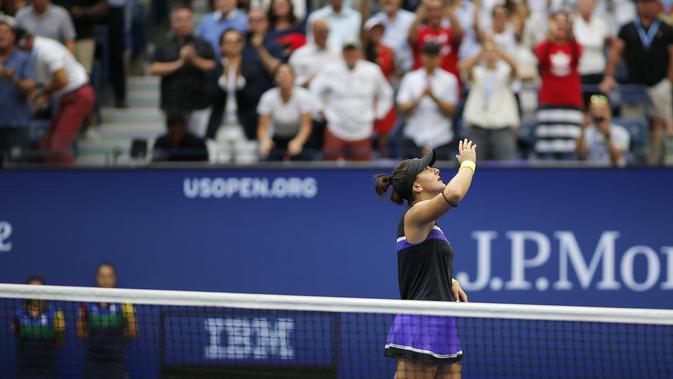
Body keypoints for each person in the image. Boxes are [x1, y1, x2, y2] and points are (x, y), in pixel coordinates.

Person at [374, 145, 473, 379]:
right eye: (428, 169)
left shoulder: (431, 225)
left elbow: (425, 261)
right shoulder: (414, 216)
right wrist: (468, 163)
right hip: (420, 324)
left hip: (445, 324)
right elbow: (455, 194)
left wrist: (448, 279)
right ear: (416, 186)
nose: (436, 170)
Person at [600, 0, 673, 165]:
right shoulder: (628, 28)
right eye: (643, 3)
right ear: (638, 5)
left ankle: (655, 161)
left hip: (659, 84)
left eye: (651, 3)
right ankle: (632, 160)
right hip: (633, 86)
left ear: (657, 6)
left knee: (660, 123)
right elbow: (615, 52)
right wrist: (608, 76)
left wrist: (669, 81)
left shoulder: (666, 28)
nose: (647, 6)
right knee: (631, 123)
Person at [15, 28, 95, 165]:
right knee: (47, 144)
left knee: (58, 146)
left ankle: (70, 182)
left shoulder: (46, 51)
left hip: (79, 95)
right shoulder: (35, 52)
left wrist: (43, 93)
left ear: (24, 42)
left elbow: (62, 80)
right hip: (67, 96)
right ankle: (54, 180)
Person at [310, 39, 393, 161]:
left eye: (353, 51)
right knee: (329, 169)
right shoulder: (330, 70)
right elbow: (314, 89)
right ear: (342, 53)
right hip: (336, 128)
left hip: (362, 129)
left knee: (362, 172)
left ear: (360, 52)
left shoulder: (372, 70)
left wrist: (379, 113)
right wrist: (319, 109)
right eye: (347, 51)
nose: (350, 54)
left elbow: (386, 93)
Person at [149, 6, 216, 138]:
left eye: (187, 20)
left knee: (198, 141)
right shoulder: (164, 44)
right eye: (179, 20)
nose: (183, 23)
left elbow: (213, 66)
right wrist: (179, 63)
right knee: (174, 141)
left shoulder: (203, 44)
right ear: (173, 23)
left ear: (192, 22)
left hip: (198, 103)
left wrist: (194, 59)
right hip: (172, 103)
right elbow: (153, 68)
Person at [534, 10, 583, 160]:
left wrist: (571, 32)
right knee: (547, 151)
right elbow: (540, 56)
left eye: (564, 22)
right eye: (557, 21)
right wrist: (551, 36)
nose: (560, 25)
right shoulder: (544, 45)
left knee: (570, 149)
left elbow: (578, 53)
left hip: (571, 104)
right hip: (549, 104)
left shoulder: (575, 46)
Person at [397, 42, 458, 160]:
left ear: (440, 58)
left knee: (440, 177)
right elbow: (402, 109)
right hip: (414, 138)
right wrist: (420, 97)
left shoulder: (449, 79)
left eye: (434, 56)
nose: (431, 59)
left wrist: (433, 96)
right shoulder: (410, 78)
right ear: (422, 57)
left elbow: (451, 111)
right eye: (428, 55)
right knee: (410, 177)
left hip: (441, 139)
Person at [206, 28, 259, 163]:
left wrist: (237, 78)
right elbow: (210, 98)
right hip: (220, 127)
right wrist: (225, 76)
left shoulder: (251, 68)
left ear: (242, 45)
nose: (233, 45)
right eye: (228, 42)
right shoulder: (214, 69)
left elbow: (253, 99)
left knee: (247, 170)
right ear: (221, 46)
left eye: (236, 42)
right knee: (218, 171)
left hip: (244, 128)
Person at [460, 41, 519, 161]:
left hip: (502, 127)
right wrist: (481, 52)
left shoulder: (505, 71)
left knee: (508, 167)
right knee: (472, 167)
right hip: (478, 126)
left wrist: (499, 52)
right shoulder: (477, 72)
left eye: (493, 53)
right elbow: (465, 68)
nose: (490, 55)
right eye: (487, 52)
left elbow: (515, 68)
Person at [77, 263, 137, 379]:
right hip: (93, 360)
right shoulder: (86, 303)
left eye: (109, 276)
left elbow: (133, 331)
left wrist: (116, 340)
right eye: (102, 276)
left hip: (116, 360)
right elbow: (80, 331)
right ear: (97, 278)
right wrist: (95, 341)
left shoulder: (125, 302)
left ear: (114, 278)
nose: (105, 280)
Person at [12, 276, 65, 379]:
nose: (36, 293)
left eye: (39, 289)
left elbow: (60, 341)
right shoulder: (18, 314)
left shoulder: (56, 314)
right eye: (32, 290)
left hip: (48, 367)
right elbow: (18, 337)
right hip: (24, 368)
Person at [257, 63, 312, 160]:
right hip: (277, 138)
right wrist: (264, 140)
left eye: (287, 74)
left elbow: (306, 126)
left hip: (299, 137)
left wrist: (298, 142)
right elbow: (263, 127)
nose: (283, 77)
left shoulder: (303, 96)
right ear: (275, 78)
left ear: (293, 77)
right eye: (280, 74)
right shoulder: (267, 97)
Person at [0, 19, 34, 164]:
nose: (1, 35)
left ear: (13, 36)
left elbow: (30, 87)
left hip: (16, 125)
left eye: (5, 32)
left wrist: (12, 78)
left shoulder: (23, 59)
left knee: (18, 170)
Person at [363, 18, 396, 157]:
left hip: (383, 95)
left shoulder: (389, 51)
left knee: (384, 134)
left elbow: (393, 71)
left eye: (379, 30)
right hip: (367, 95)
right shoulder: (363, 51)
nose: (377, 33)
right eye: (374, 30)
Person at [408, 0, 463, 82]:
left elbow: (459, 35)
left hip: (448, 82)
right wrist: (423, 9)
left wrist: (447, 8)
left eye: (438, 10)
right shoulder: (420, 33)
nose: (435, 13)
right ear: (426, 12)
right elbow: (410, 38)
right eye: (431, 10)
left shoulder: (449, 32)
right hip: (422, 82)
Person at [573, 0, 612, 106]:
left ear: (595, 5)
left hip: (598, 75)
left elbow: (615, 45)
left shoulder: (601, 24)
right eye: (584, 2)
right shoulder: (572, 23)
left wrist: (609, 75)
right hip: (579, 75)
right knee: (581, 110)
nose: (587, 4)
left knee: (600, 108)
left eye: (590, 2)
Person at [53, 0, 108, 74]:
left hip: (83, 35)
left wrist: (83, 11)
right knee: (58, 71)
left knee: (83, 73)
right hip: (58, 38)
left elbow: (103, 6)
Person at [576, 94, 631, 167]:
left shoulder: (621, 132)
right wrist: (582, 129)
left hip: (614, 173)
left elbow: (616, 159)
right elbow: (580, 154)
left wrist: (607, 135)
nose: (598, 113)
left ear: (609, 112)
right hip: (592, 173)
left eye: (602, 110)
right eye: (594, 110)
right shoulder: (586, 132)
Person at [365, 0, 416, 71]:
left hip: (405, 72)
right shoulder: (375, 20)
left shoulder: (411, 19)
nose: (388, 1)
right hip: (380, 71)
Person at [289, 18, 339, 88]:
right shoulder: (299, 55)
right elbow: (291, 79)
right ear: (312, 32)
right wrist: (305, 81)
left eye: (326, 31)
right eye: (321, 32)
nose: (324, 35)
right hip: (307, 93)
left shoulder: (338, 53)